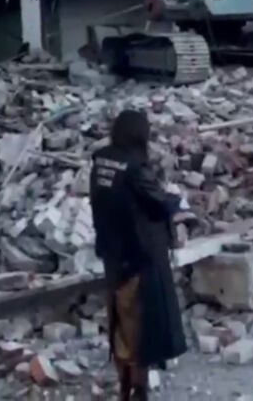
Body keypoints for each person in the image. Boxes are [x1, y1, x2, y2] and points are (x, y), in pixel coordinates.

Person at [90, 109, 188, 401]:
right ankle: (137, 390)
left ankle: (124, 386)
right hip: (137, 256)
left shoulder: (101, 160)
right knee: (139, 329)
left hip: (111, 253)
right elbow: (157, 202)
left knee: (119, 320)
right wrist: (176, 200)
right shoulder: (133, 168)